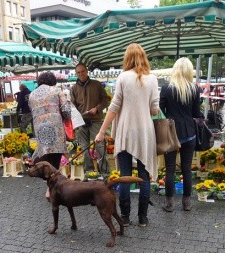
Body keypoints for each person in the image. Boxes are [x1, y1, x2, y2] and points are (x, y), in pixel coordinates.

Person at [95, 43, 159, 227]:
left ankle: (125, 217)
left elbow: (114, 107)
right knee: (143, 176)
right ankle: (143, 218)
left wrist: (101, 132)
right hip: (145, 133)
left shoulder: (122, 77)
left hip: (125, 131)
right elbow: (154, 110)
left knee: (125, 175)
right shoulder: (153, 79)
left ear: (127, 58)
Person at [159, 57, 204, 213]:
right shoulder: (195, 89)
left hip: (171, 133)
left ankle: (169, 203)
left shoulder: (166, 89)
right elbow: (196, 113)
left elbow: (160, 112)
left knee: (170, 169)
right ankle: (187, 203)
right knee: (186, 168)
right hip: (189, 133)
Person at [28, 71, 71, 199]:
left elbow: (32, 111)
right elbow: (66, 110)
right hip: (55, 128)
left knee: (46, 158)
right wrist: (67, 119)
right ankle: (52, 190)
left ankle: (50, 187)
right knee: (55, 159)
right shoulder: (56, 91)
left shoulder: (32, 95)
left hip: (40, 129)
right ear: (53, 81)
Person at [71, 63, 110, 174]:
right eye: (78, 72)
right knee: (84, 148)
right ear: (76, 73)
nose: (81, 74)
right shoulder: (74, 88)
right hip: (81, 122)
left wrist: (97, 108)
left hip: (96, 120)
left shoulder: (96, 85)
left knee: (100, 146)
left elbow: (105, 100)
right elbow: (72, 106)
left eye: (82, 71)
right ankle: (89, 172)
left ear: (87, 71)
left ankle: (105, 172)